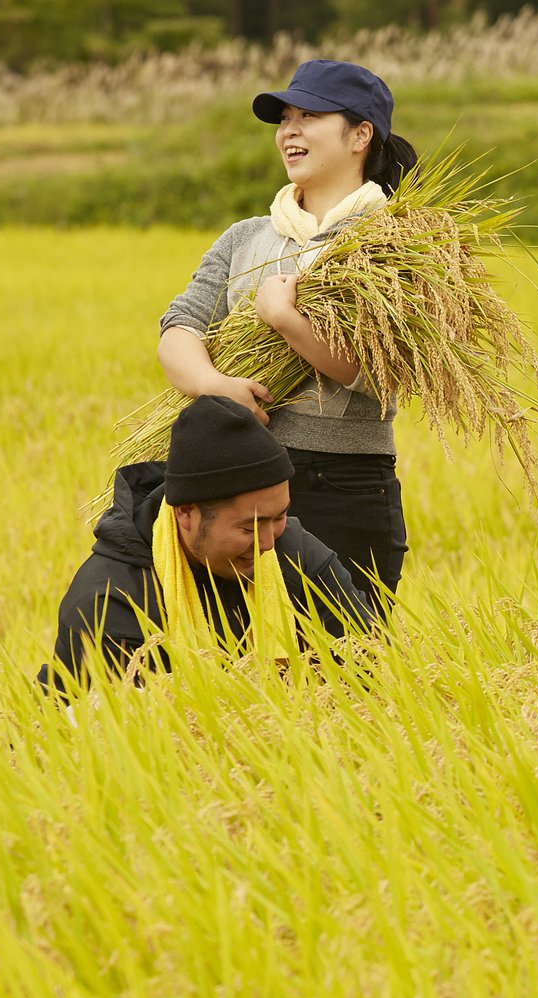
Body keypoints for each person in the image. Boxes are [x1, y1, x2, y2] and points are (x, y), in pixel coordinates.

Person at [158, 59, 418, 609]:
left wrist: (286, 320)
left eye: (309, 116)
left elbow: (382, 376)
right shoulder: (246, 237)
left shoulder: (394, 242)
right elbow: (180, 326)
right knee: (235, 671)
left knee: (348, 669)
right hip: (232, 482)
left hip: (343, 483)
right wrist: (212, 385)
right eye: (285, 120)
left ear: (360, 135)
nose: (289, 131)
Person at [40, 396, 375, 694]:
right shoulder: (112, 602)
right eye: (249, 527)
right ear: (186, 512)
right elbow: (134, 744)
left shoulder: (295, 552)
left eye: (279, 517)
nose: (268, 543)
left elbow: (372, 668)